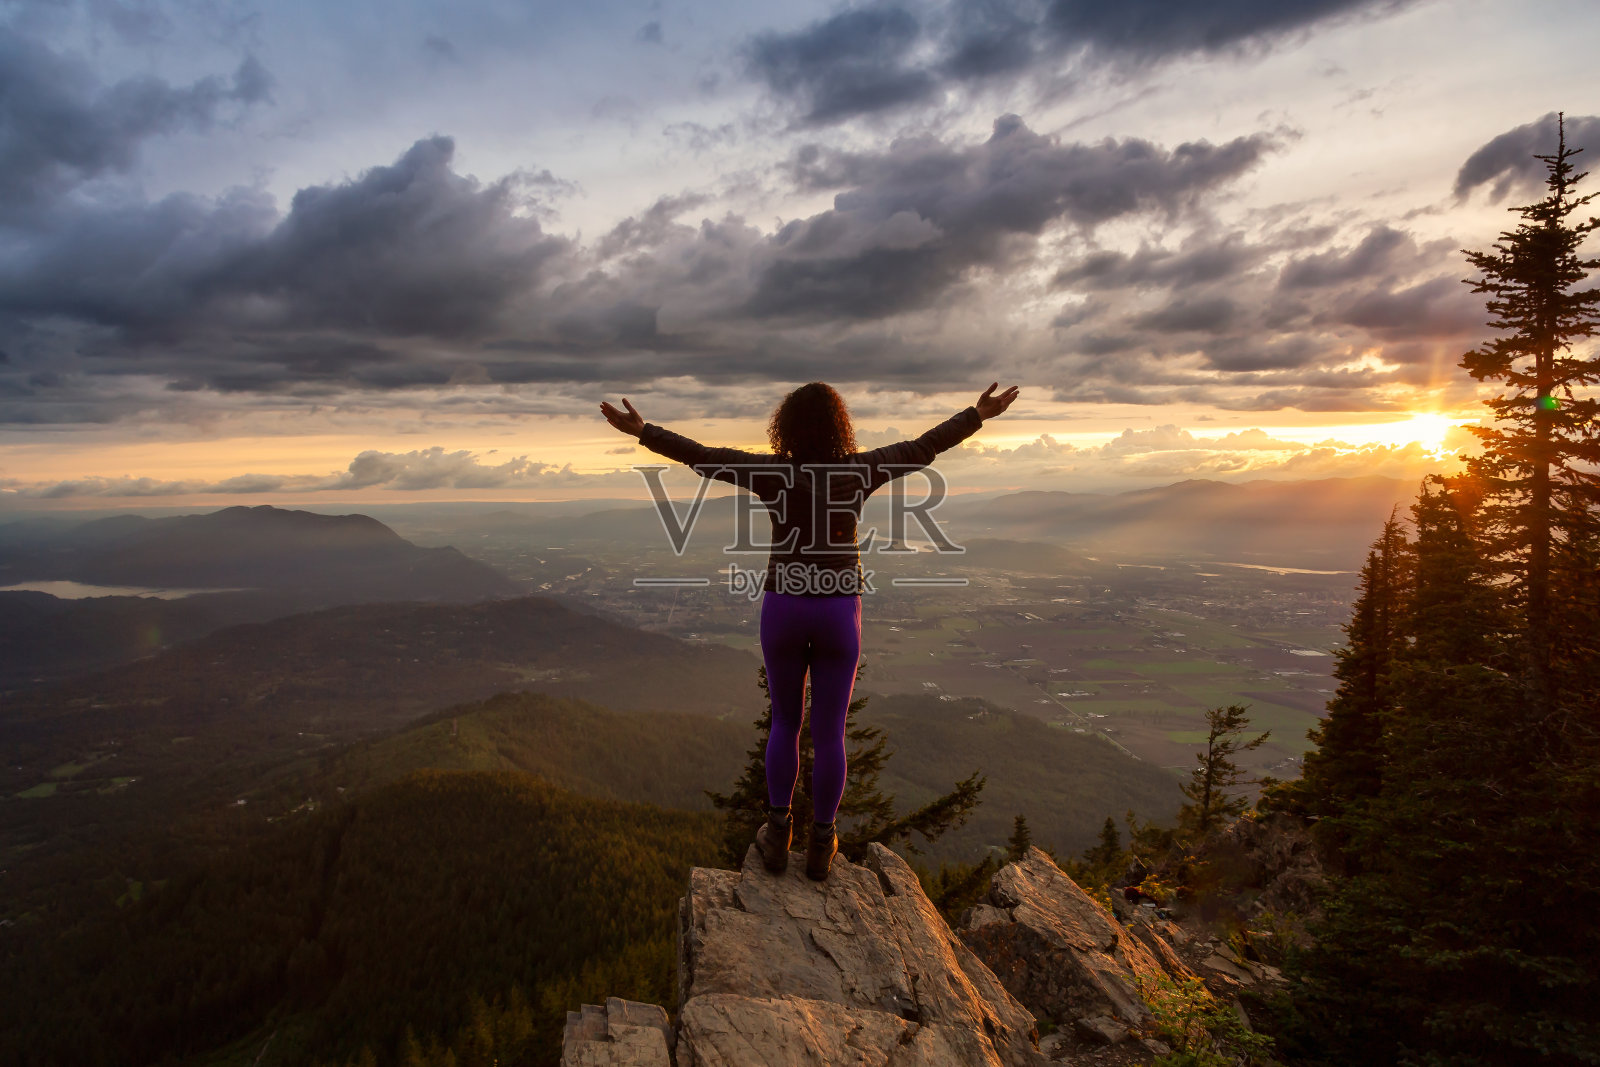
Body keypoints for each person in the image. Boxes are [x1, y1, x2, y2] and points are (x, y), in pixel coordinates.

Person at [600, 382, 1019, 879]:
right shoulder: (861, 470)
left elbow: (703, 456)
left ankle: (777, 834)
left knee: (785, 722)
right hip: (839, 610)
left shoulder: (771, 473)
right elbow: (925, 447)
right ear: (840, 425)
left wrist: (644, 431)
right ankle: (822, 843)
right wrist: (977, 414)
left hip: (785, 605)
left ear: (787, 427)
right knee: (830, 733)